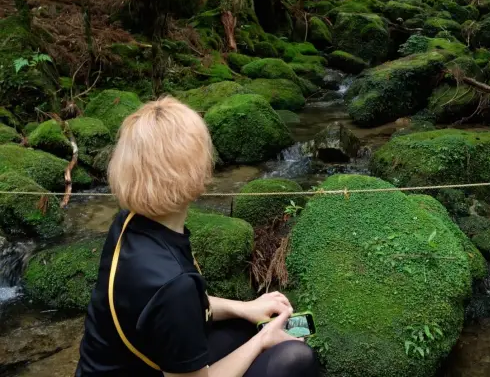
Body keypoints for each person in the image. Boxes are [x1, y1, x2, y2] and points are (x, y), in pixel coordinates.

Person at [75, 96, 318, 377]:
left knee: (247, 324)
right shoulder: (172, 283)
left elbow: (177, 310)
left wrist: (245, 308)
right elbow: (174, 301)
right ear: (193, 170)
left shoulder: (130, 222)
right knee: (295, 358)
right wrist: (262, 342)